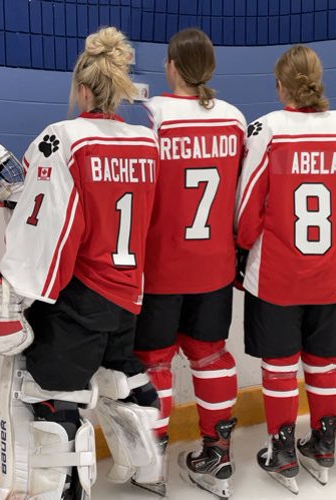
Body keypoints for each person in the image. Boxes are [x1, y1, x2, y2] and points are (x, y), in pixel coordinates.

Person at [0, 26, 163, 499]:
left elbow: (51, 225)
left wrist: (15, 289)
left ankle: (66, 491)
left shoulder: (65, 137)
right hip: (128, 293)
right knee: (119, 380)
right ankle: (149, 469)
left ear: (83, 89)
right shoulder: (147, 143)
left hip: (79, 294)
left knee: (53, 399)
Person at [237, 45, 336, 493]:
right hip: (332, 273)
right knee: (325, 362)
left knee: (279, 366)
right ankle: (325, 444)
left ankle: (282, 450)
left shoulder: (267, 130)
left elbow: (248, 210)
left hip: (277, 274)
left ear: (280, 85)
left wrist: (241, 246)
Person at [131, 27, 246, 498]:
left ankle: (152, 462)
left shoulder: (152, 116)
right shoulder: (235, 118)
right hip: (214, 266)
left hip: (161, 267)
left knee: (155, 362)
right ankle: (218, 455)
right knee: (211, 357)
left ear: (172, 66)